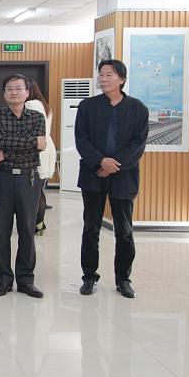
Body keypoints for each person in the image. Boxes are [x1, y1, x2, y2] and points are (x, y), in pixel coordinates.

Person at [76, 59, 148, 299]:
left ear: (122, 79)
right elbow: (81, 140)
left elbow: (138, 144)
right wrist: (100, 162)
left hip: (124, 176)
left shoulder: (138, 109)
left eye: (109, 74)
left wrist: (113, 165)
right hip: (93, 174)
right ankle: (89, 277)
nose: (103, 78)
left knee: (124, 231)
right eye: (101, 74)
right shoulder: (87, 106)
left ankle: (123, 279)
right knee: (91, 228)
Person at [0, 74, 46, 299]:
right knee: (2, 231)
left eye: (19, 88)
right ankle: (4, 280)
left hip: (28, 179)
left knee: (27, 231)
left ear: (27, 92)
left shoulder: (37, 117)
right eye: (10, 88)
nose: (14, 92)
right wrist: (31, 143)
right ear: (4, 93)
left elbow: (40, 147)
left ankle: (26, 281)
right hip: (2, 179)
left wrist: (6, 153)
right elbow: (2, 140)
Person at [24, 80, 56, 234]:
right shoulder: (45, 106)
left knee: (34, 190)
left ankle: (37, 224)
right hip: (48, 146)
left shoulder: (30, 105)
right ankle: (39, 224)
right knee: (39, 188)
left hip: (38, 147)